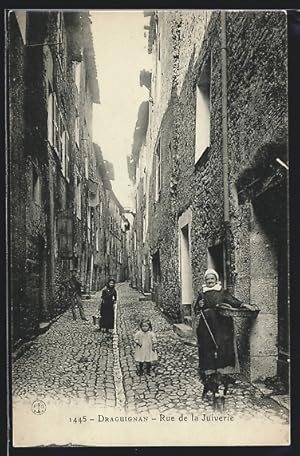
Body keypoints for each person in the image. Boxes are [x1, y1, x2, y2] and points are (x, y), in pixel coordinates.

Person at [194, 268, 253, 401]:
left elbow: (233, 301)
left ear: (216, 280)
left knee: (222, 346)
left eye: (212, 279)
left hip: (221, 324)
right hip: (206, 325)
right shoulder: (202, 294)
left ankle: (222, 373)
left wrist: (244, 305)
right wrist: (199, 305)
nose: (209, 281)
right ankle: (209, 373)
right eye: (207, 279)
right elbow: (196, 309)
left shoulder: (222, 292)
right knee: (207, 347)